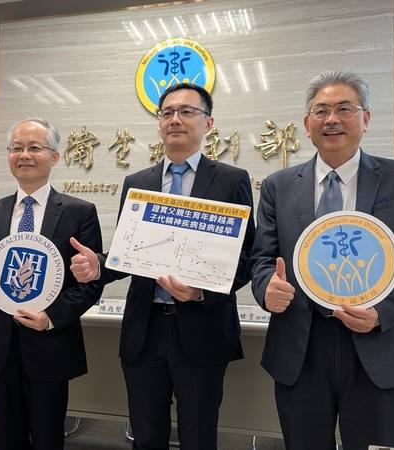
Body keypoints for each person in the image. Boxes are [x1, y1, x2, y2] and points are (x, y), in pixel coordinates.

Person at [250, 70, 394, 450]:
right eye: (321, 111)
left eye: (345, 108)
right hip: (301, 347)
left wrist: (382, 311)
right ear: (307, 124)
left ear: (366, 118)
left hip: (379, 343)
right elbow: (262, 257)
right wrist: (266, 289)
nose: (332, 119)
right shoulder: (278, 186)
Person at [70, 83, 255, 450]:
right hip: (145, 329)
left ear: (208, 122)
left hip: (202, 327)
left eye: (187, 112)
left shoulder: (232, 180)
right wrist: (99, 267)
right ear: (159, 123)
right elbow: (131, 253)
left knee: (199, 436)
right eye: (167, 112)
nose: (175, 119)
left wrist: (202, 291)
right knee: (145, 434)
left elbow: (247, 257)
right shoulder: (138, 183)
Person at [0, 118, 103, 450]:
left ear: (55, 157)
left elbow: (89, 285)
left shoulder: (80, 212)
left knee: (47, 438)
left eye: (34, 147)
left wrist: (52, 317)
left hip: (50, 343)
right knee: (6, 436)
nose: (24, 155)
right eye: (16, 148)